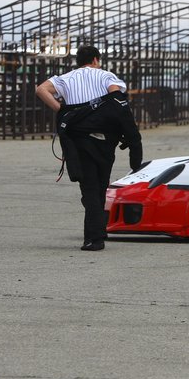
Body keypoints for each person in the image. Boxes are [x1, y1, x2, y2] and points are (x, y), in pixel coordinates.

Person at [36, 45, 143, 251]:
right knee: (101, 185)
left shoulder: (66, 78)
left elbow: (41, 89)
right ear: (95, 59)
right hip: (105, 141)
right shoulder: (106, 76)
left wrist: (63, 111)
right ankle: (98, 232)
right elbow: (117, 99)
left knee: (89, 188)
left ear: (78, 61)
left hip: (78, 141)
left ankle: (94, 237)